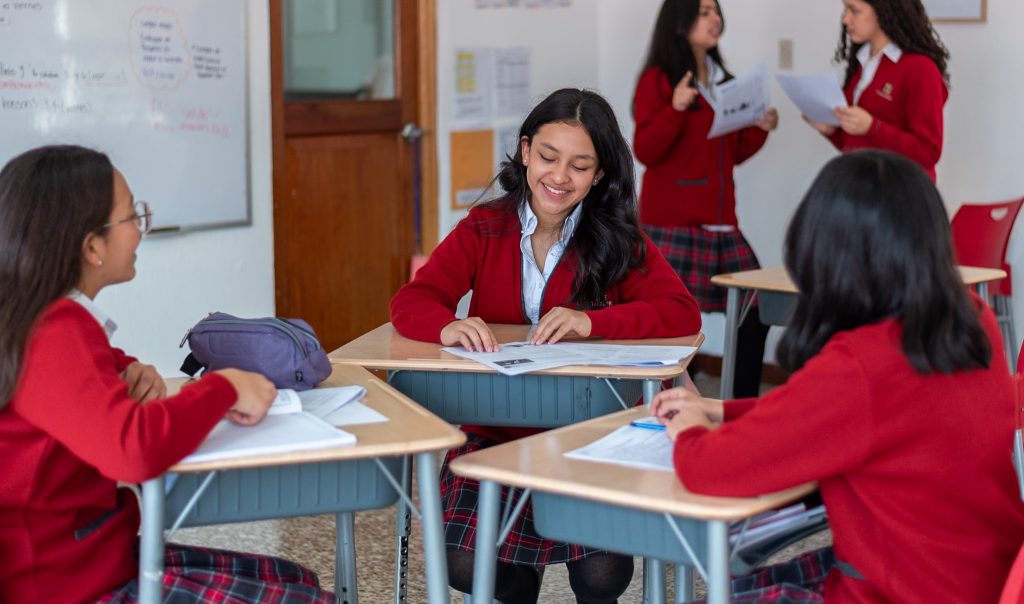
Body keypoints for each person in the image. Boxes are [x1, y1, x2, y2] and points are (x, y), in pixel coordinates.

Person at [651, 150, 1024, 602]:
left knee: (722, 591)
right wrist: (720, 409)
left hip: (899, 590)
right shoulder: (971, 318)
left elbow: (710, 469)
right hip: (982, 579)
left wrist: (690, 431)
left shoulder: (861, 366)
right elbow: (834, 414)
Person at [391, 88, 702, 604]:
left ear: (599, 174)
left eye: (580, 166)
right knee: (469, 564)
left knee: (603, 576)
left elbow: (680, 310)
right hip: (493, 431)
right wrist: (445, 324)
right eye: (549, 157)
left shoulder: (616, 238)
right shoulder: (486, 226)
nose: (559, 177)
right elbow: (413, 300)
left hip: (587, 433)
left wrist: (592, 321)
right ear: (526, 150)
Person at [0, 145, 333, 603]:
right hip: (70, 586)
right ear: (92, 246)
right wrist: (226, 385)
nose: (140, 230)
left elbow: (76, 376)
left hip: (90, 561)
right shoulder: (53, 331)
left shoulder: (35, 317)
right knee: (306, 595)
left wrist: (125, 366)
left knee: (298, 580)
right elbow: (133, 449)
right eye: (132, 216)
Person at [632, 0, 779, 398]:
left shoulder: (723, 81)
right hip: (672, 224)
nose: (715, 20)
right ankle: (667, 399)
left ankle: (742, 405)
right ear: (679, 22)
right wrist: (675, 108)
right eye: (704, 12)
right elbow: (646, 149)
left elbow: (732, 151)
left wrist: (759, 129)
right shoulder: (658, 79)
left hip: (721, 222)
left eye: (717, 11)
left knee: (754, 310)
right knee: (670, 319)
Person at [806, 0, 950, 181]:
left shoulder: (920, 69)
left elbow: (928, 152)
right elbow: (857, 145)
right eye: (845, 9)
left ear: (884, 11)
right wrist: (831, 131)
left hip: (902, 197)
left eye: (854, 10)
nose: (846, 20)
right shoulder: (862, 63)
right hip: (863, 190)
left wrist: (872, 127)